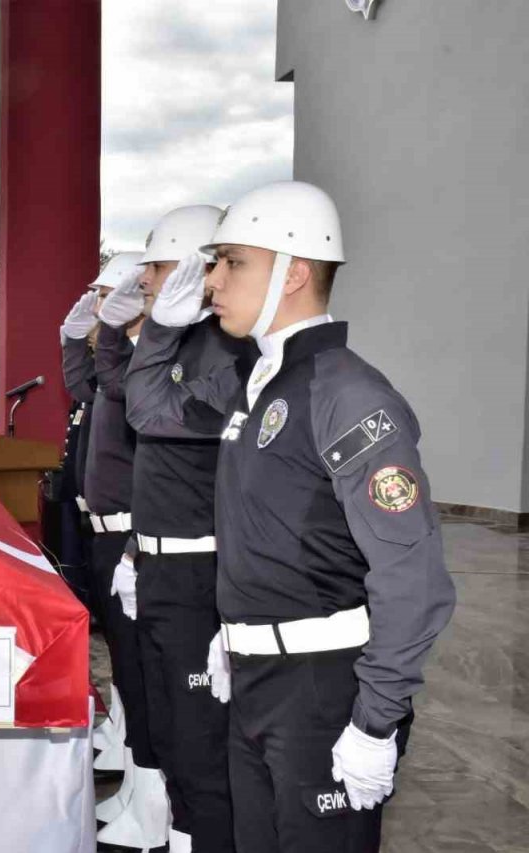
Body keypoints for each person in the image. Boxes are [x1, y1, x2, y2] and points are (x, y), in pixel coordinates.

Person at [186, 181, 454, 853]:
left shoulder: (346, 393)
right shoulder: (261, 383)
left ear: (294, 270)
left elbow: (412, 576)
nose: (213, 278)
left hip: (322, 691)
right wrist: (239, 629)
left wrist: (375, 721)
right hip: (256, 682)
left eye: (233, 261)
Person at [105, 205, 251, 853]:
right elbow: (161, 468)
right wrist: (138, 550)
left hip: (201, 575)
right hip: (163, 566)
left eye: (159, 266)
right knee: (170, 734)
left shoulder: (226, 352)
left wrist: (159, 335)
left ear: (194, 268)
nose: (145, 280)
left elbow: (148, 414)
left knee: (200, 749)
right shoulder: (184, 343)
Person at [63, 251, 168, 839]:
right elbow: (83, 386)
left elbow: (113, 386)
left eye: (106, 294)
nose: (98, 303)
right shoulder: (118, 365)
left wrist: (113, 334)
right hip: (105, 529)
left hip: (133, 531)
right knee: (127, 666)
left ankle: (151, 801)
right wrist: (72, 338)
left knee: (140, 667)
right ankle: (136, 783)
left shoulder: (141, 364)